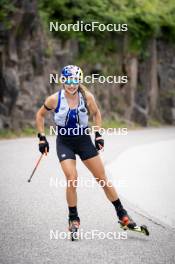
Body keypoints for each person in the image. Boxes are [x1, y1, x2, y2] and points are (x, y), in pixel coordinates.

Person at [36, 65, 137, 234]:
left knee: (102, 179)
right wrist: (41, 138)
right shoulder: (54, 99)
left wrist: (98, 134)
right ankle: (73, 218)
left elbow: (97, 114)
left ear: (79, 81)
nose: (71, 85)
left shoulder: (87, 97)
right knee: (72, 178)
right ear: (63, 81)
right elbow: (40, 115)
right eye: (68, 81)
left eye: (75, 81)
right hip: (65, 142)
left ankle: (122, 214)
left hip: (83, 141)